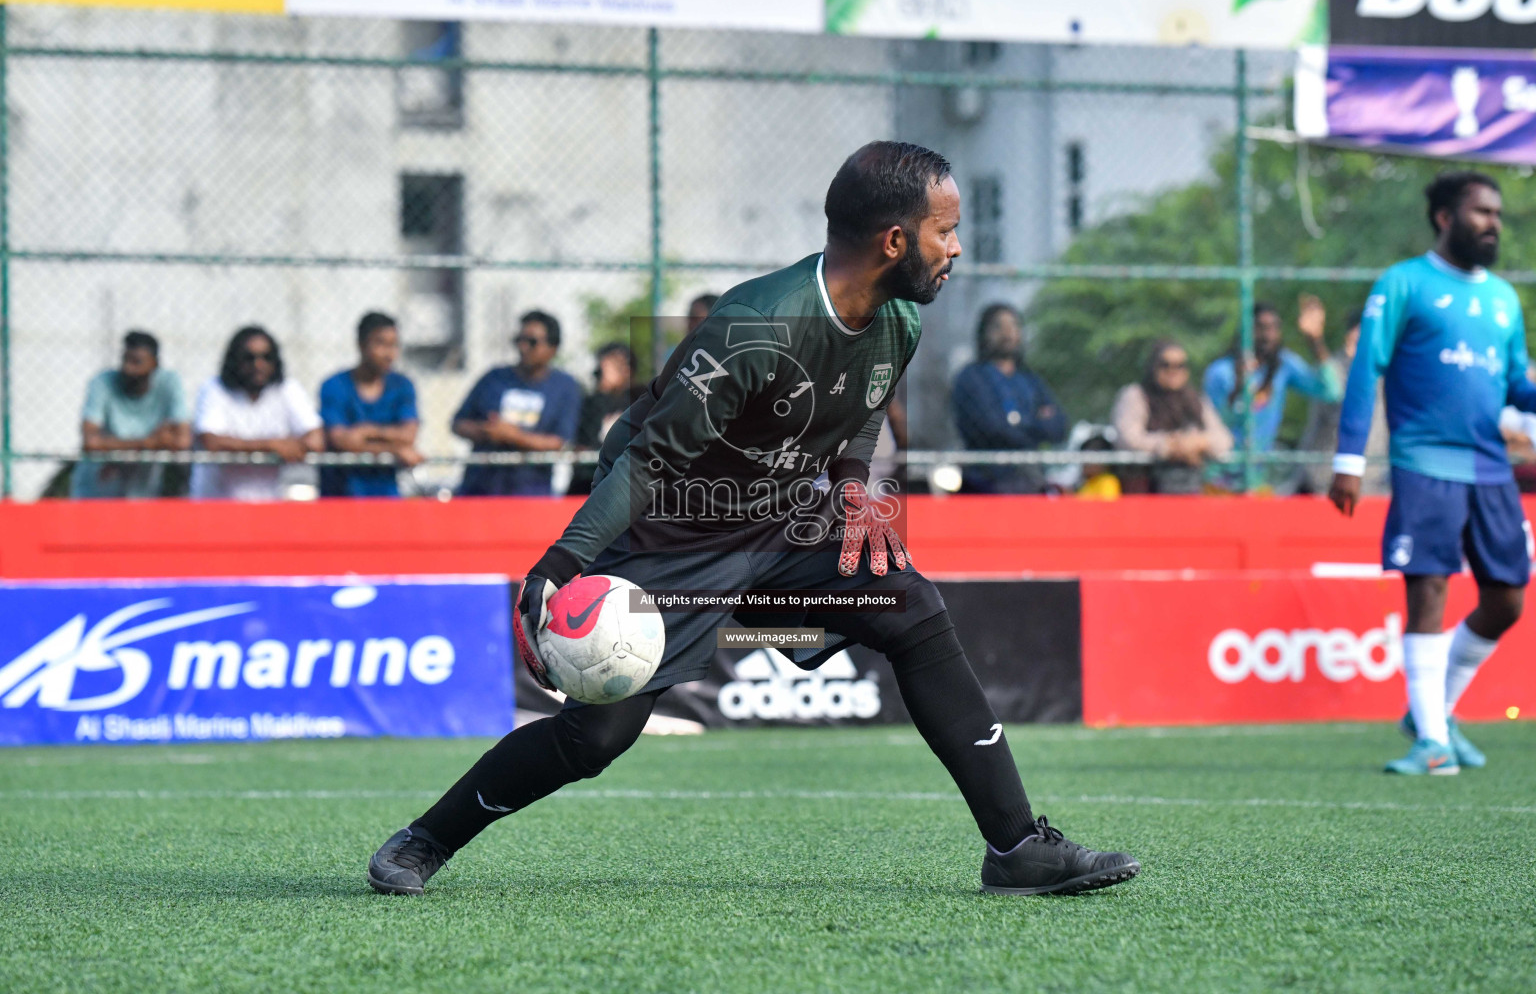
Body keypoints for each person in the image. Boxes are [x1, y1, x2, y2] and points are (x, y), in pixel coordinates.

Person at [367, 141, 1139, 898]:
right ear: (895, 240)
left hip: (784, 526)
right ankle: (426, 839)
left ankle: (1016, 848)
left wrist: (846, 485)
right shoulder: (757, 328)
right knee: (594, 739)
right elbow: (647, 462)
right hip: (669, 538)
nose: (958, 247)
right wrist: (559, 567)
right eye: (946, 230)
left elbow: (861, 409)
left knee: (913, 609)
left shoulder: (901, 317)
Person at [1329, 170, 1536, 775]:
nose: (1493, 223)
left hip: (1491, 467)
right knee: (1428, 590)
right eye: (1481, 212)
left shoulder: (1503, 298)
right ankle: (1433, 744)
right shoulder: (1403, 284)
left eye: (1497, 213)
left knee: (1507, 601)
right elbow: (1367, 369)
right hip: (1424, 461)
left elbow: (1516, 382)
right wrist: (1348, 460)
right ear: (1445, 217)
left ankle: (1432, 714)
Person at [1204, 298, 1341, 488]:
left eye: (1274, 327)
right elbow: (1214, 424)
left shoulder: (1283, 366)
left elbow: (1331, 392)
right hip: (1220, 477)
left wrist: (1315, 341)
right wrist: (1238, 388)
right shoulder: (1221, 372)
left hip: (1259, 478)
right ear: (1246, 330)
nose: (1268, 335)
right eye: (1261, 327)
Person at [452, 310, 582, 496]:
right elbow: (458, 424)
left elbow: (559, 442)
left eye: (532, 342)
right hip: (480, 490)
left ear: (552, 348)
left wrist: (513, 436)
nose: (523, 347)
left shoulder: (565, 387)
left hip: (530, 494)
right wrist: (486, 431)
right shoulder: (494, 378)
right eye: (518, 340)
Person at [190, 326, 323, 501]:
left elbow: (316, 440)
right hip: (217, 502)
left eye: (266, 357)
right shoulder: (214, 389)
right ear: (234, 360)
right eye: (249, 358)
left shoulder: (288, 389)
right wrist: (271, 445)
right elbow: (211, 441)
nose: (258, 365)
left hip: (271, 503)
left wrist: (287, 446)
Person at [951, 303, 1067, 494]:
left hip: (1030, 480)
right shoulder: (972, 377)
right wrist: (1037, 423)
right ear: (984, 334)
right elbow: (993, 428)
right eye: (998, 327)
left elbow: (1059, 426)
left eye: (1013, 326)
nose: (1007, 333)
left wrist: (1016, 423)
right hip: (985, 481)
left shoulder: (1029, 379)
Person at [72, 331, 191, 499]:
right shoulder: (102, 382)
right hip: (98, 490)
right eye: (125, 360)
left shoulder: (169, 382)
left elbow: (182, 440)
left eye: (136, 362)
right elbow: (91, 442)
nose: (128, 368)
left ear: (154, 364)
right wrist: (148, 442)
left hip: (142, 491)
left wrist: (113, 444)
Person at [318, 311, 423, 498]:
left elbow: (408, 436)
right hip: (341, 497)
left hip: (386, 497)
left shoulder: (402, 386)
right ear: (361, 345)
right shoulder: (334, 386)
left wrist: (367, 431)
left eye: (394, 345)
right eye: (381, 344)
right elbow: (341, 441)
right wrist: (393, 448)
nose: (389, 354)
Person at [1112, 340, 1232, 494]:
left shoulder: (1194, 399)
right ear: (1153, 366)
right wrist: (1167, 445)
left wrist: (1198, 442)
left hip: (1190, 487)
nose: (1173, 371)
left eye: (1180, 365)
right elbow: (1127, 438)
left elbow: (1224, 439)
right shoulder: (1136, 395)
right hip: (1145, 488)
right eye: (1165, 365)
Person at [1298, 308, 1389, 496]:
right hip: (1326, 481)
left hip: (1374, 483)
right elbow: (1334, 389)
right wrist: (1315, 341)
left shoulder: (1383, 372)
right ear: (1351, 335)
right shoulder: (1336, 368)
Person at [569, 342, 645, 496]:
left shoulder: (641, 398)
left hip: (628, 482)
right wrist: (603, 390)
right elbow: (585, 439)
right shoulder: (592, 402)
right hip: (589, 481)